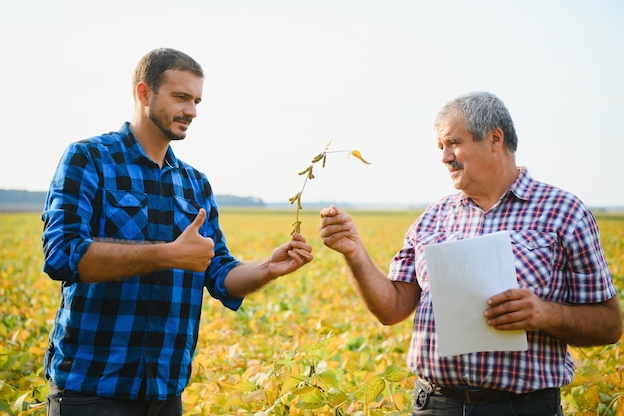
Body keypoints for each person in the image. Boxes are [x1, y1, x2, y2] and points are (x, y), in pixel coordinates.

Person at [41, 48, 313, 416]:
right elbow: (62, 255)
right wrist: (167, 254)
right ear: (144, 93)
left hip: (166, 392)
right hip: (91, 390)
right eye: (181, 97)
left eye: (197, 100)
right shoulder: (88, 159)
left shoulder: (195, 184)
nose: (192, 111)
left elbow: (219, 273)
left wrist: (268, 268)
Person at [319, 91, 622, 415]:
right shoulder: (433, 217)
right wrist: (354, 252)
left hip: (523, 408)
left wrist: (544, 314)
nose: (445, 156)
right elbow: (391, 308)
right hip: (435, 405)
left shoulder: (564, 212)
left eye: (453, 143)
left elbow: (608, 323)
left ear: (494, 139)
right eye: (440, 147)